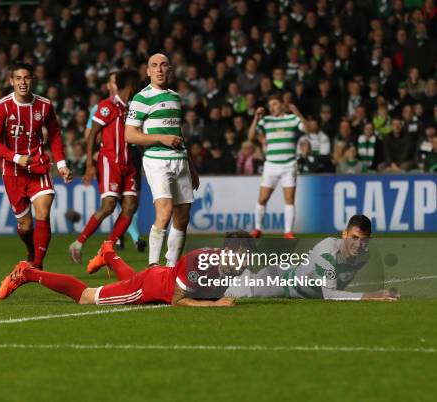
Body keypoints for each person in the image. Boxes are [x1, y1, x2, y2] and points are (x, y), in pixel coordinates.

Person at [0, 232, 257, 306]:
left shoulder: (229, 268)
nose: (245, 264)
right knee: (86, 297)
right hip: (150, 288)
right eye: (244, 257)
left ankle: (109, 254)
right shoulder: (199, 263)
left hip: (157, 279)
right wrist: (214, 305)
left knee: (132, 280)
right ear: (230, 252)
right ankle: (28, 272)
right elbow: (179, 300)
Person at [0, 61, 72, 269]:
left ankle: (37, 265)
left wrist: (61, 164)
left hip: (38, 167)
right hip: (13, 172)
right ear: (11, 81)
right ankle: (31, 249)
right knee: (25, 227)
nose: (22, 82)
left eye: (26, 77)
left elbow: (54, 134)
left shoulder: (44, 105)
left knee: (43, 212)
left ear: (32, 80)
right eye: (18, 78)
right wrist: (16, 157)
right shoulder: (2, 106)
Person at [124, 53, 200, 267]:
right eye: (154, 66)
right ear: (148, 71)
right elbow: (129, 135)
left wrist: (191, 168)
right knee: (165, 211)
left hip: (180, 160)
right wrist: (160, 138)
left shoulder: (175, 97)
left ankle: (171, 267)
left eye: (163, 65)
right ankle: (153, 266)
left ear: (170, 70)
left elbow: (179, 135)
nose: (158, 69)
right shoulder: (141, 98)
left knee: (183, 216)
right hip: (156, 160)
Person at [225, 215, 400, 301]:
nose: (358, 245)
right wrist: (370, 296)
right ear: (345, 234)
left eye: (364, 240)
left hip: (291, 280)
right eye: (354, 238)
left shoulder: (363, 256)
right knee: (225, 292)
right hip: (278, 282)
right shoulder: (328, 253)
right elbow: (330, 295)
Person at [69, 69, 141, 262]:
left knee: (130, 207)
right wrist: (90, 165)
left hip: (129, 164)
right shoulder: (107, 106)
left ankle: (107, 249)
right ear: (131, 85)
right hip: (110, 163)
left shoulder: (131, 109)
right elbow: (92, 134)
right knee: (109, 205)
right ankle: (78, 243)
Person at [248, 94, 307, 239]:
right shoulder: (266, 120)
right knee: (262, 199)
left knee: (289, 199)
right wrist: (256, 118)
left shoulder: (292, 119)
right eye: (270, 105)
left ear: (282, 104)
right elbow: (250, 137)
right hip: (271, 166)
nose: (271, 107)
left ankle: (288, 231)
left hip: (289, 165)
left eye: (274, 104)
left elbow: (307, 128)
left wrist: (298, 113)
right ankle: (257, 229)